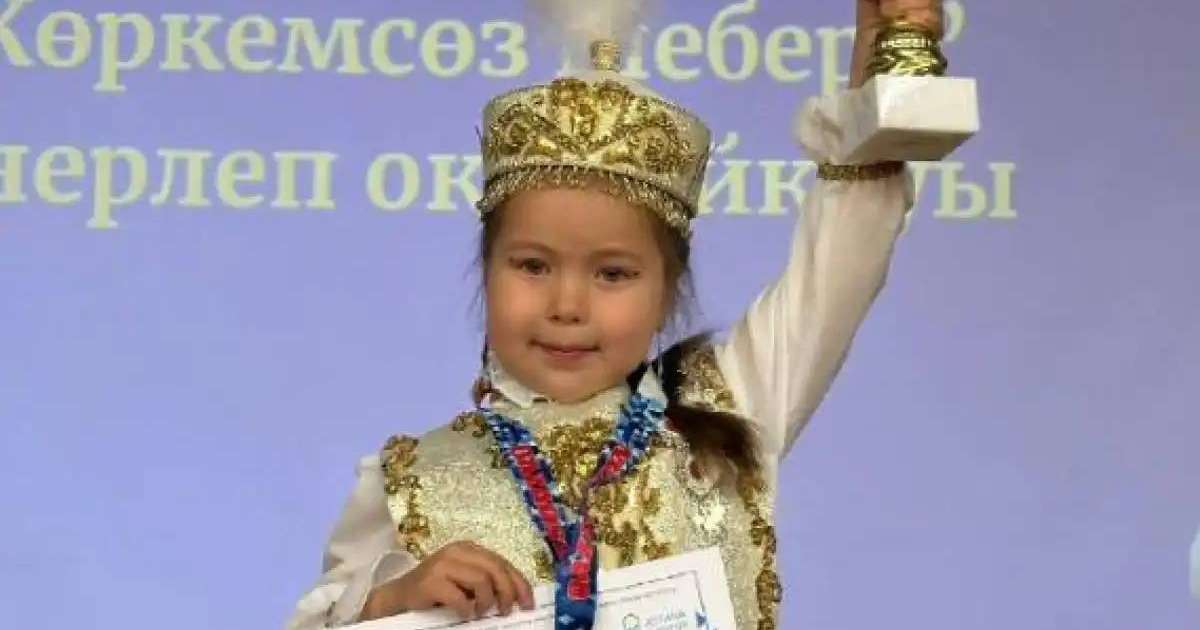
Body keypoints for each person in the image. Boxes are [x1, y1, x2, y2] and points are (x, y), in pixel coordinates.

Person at [289, 1, 943, 628]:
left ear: (668, 289)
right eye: (533, 266)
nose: (567, 306)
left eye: (613, 274)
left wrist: (884, 77)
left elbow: (840, 263)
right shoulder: (411, 478)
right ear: (485, 272)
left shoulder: (727, 410)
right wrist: (389, 601)